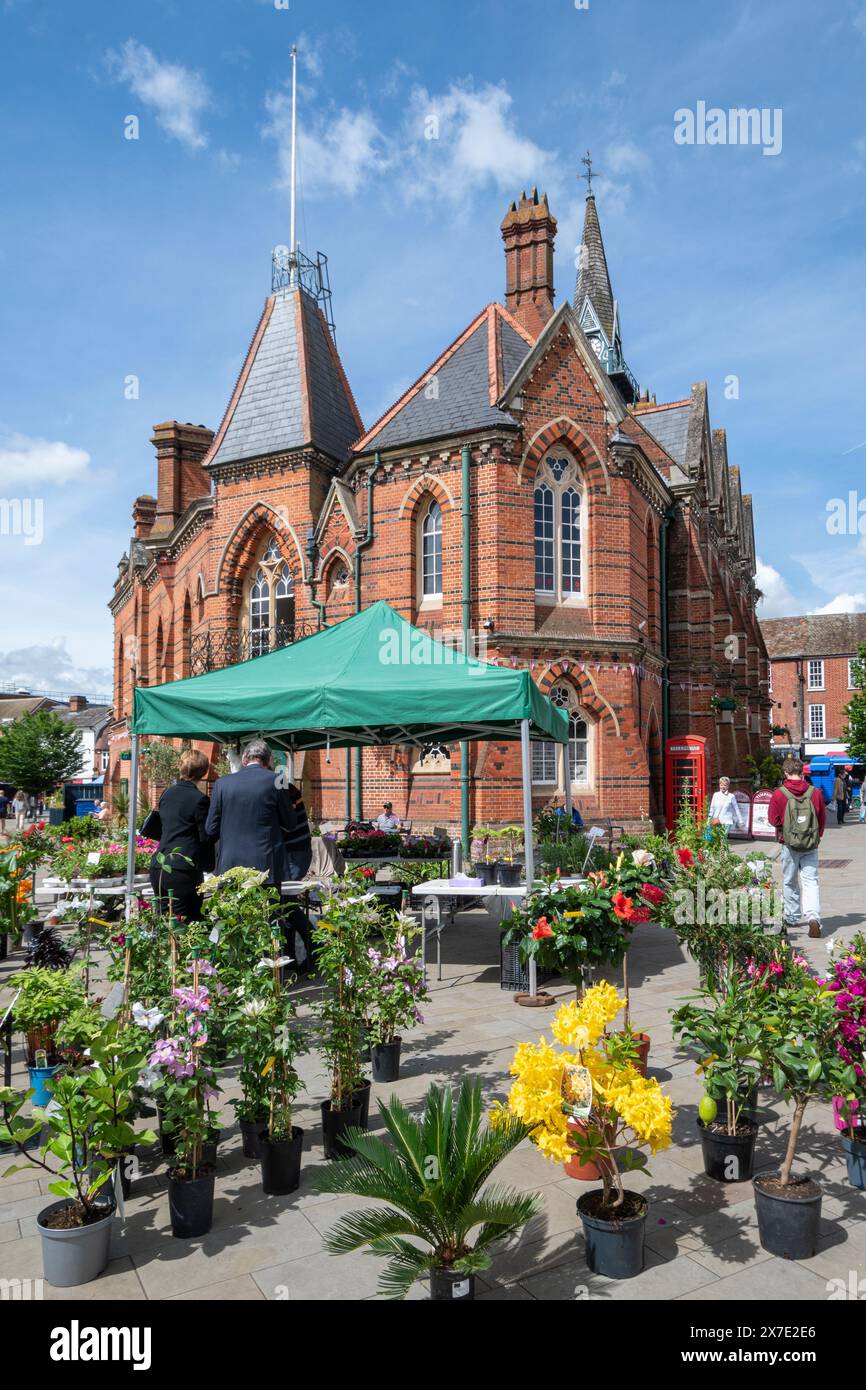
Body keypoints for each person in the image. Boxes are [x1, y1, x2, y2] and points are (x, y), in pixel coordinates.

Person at [206, 739, 296, 884]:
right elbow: (290, 823)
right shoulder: (279, 780)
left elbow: (211, 829)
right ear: (269, 761)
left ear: (243, 760)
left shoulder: (222, 783)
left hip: (230, 863)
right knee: (266, 906)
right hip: (266, 865)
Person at [148, 749, 215, 921]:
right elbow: (205, 837)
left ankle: (162, 948)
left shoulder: (167, 794)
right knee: (187, 920)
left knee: (164, 919)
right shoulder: (200, 799)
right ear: (204, 771)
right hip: (182, 869)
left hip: (159, 864)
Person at [768, 756, 826, 939]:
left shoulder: (779, 793)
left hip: (789, 844)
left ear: (786, 773)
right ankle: (813, 917)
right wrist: (817, 837)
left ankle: (792, 917)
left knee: (790, 881)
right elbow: (821, 818)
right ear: (801, 772)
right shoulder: (814, 792)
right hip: (810, 843)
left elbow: (773, 820)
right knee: (811, 882)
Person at [283, 782, 312, 881]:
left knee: (289, 888)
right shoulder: (285, 787)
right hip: (297, 848)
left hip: (294, 851)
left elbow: (287, 823)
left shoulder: (283, 788)